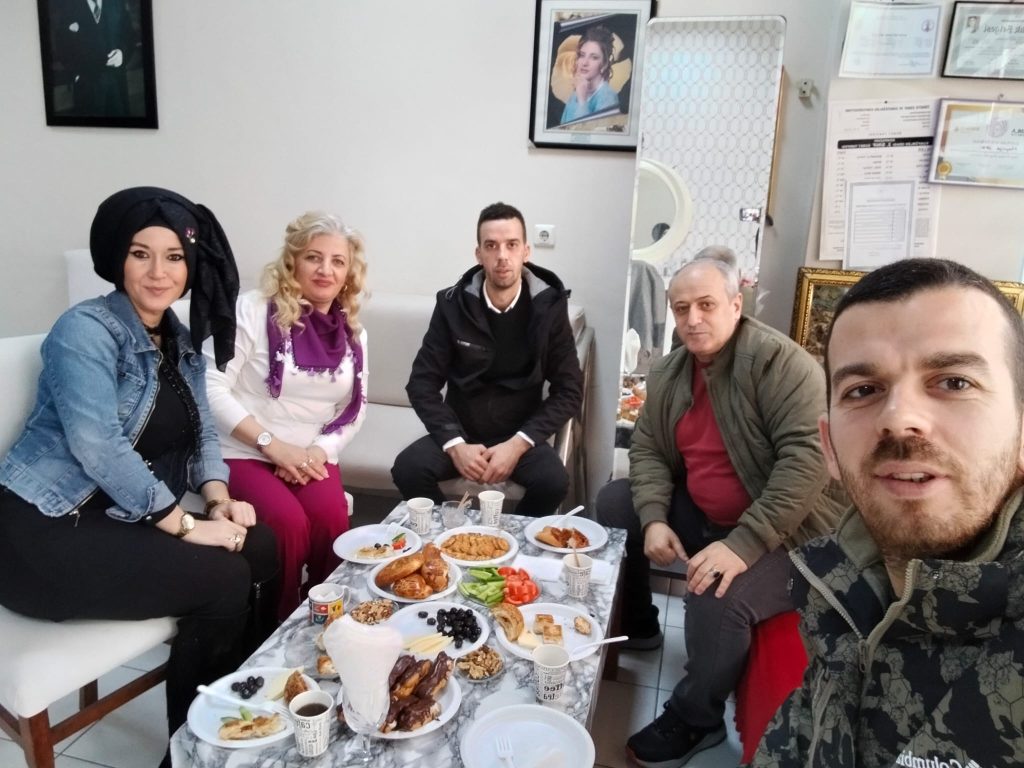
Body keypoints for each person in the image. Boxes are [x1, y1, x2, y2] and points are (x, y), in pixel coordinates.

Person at [0, 187, 278, 763]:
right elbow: (97, 445)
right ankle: (193, 753)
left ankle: (239, 709)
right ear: (117, 260)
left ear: (190, 265)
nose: (158, 272)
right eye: (140, 254)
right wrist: (186, 526)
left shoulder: (180, 342)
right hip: (41, 531)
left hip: (112, 515)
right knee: (223, 579)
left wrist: (218, 499)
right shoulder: (85, 330)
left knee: (262, 545)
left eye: (174, 257)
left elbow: (203, 434)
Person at [755, 258, 1024, 767]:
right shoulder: (834, 584)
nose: (899, 418)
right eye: (863, 390)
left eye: (954, 382)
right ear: (829, 447)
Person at [596, 248, 843, 767]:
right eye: (681, 308)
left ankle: (697, 718)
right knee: (617, 502)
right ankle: (639, 624)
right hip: (710, 514)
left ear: (735, 304)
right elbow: (648, 449)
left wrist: (742, 545)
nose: (693, 319)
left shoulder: (780, 365)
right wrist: (655, 517)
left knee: (715, 589)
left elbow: (807, 462)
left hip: (792, 532)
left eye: (706, 305)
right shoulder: (670, 372)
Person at [206, 212, 367, 620]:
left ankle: (327, 615)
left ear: (349, 273)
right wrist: (272, 446)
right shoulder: (252, 310)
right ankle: (276, 623)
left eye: (338, 261)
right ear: (292, 260)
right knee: (287, 523)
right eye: (314, 257)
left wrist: (317, 452)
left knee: (331, 518)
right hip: (243, 448)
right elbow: (208, 384)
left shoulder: (354, 332)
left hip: (309, 455)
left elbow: (353, 407)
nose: (326, 270)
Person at [391, 202, 583, 517]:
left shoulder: (550, 307)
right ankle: (449, 535)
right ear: (479, 254)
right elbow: (421, 383)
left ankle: (512, 541)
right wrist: (455, 444)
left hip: (519, 435)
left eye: (512, 245)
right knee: (408, 468)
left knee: (553, 482)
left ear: (526, 251)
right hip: (463, 429)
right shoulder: (452, 304)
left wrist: (518, 444)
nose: (502, 256)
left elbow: (570, 390)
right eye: (491, 246)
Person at [53, 0, 136, 117]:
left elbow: (130, 36)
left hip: (117, 82)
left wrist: (122, 54)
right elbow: (62, 45)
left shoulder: (116, 3)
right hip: (86, 85)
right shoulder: (69, 6)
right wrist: (75, 75)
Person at [560, 25, 621, 124]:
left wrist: (582, 101)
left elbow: (589, 132)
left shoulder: (608, 98)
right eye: (582, 55)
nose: (584, 63)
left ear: (604, 64)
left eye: (594, 57)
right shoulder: (577, 91)